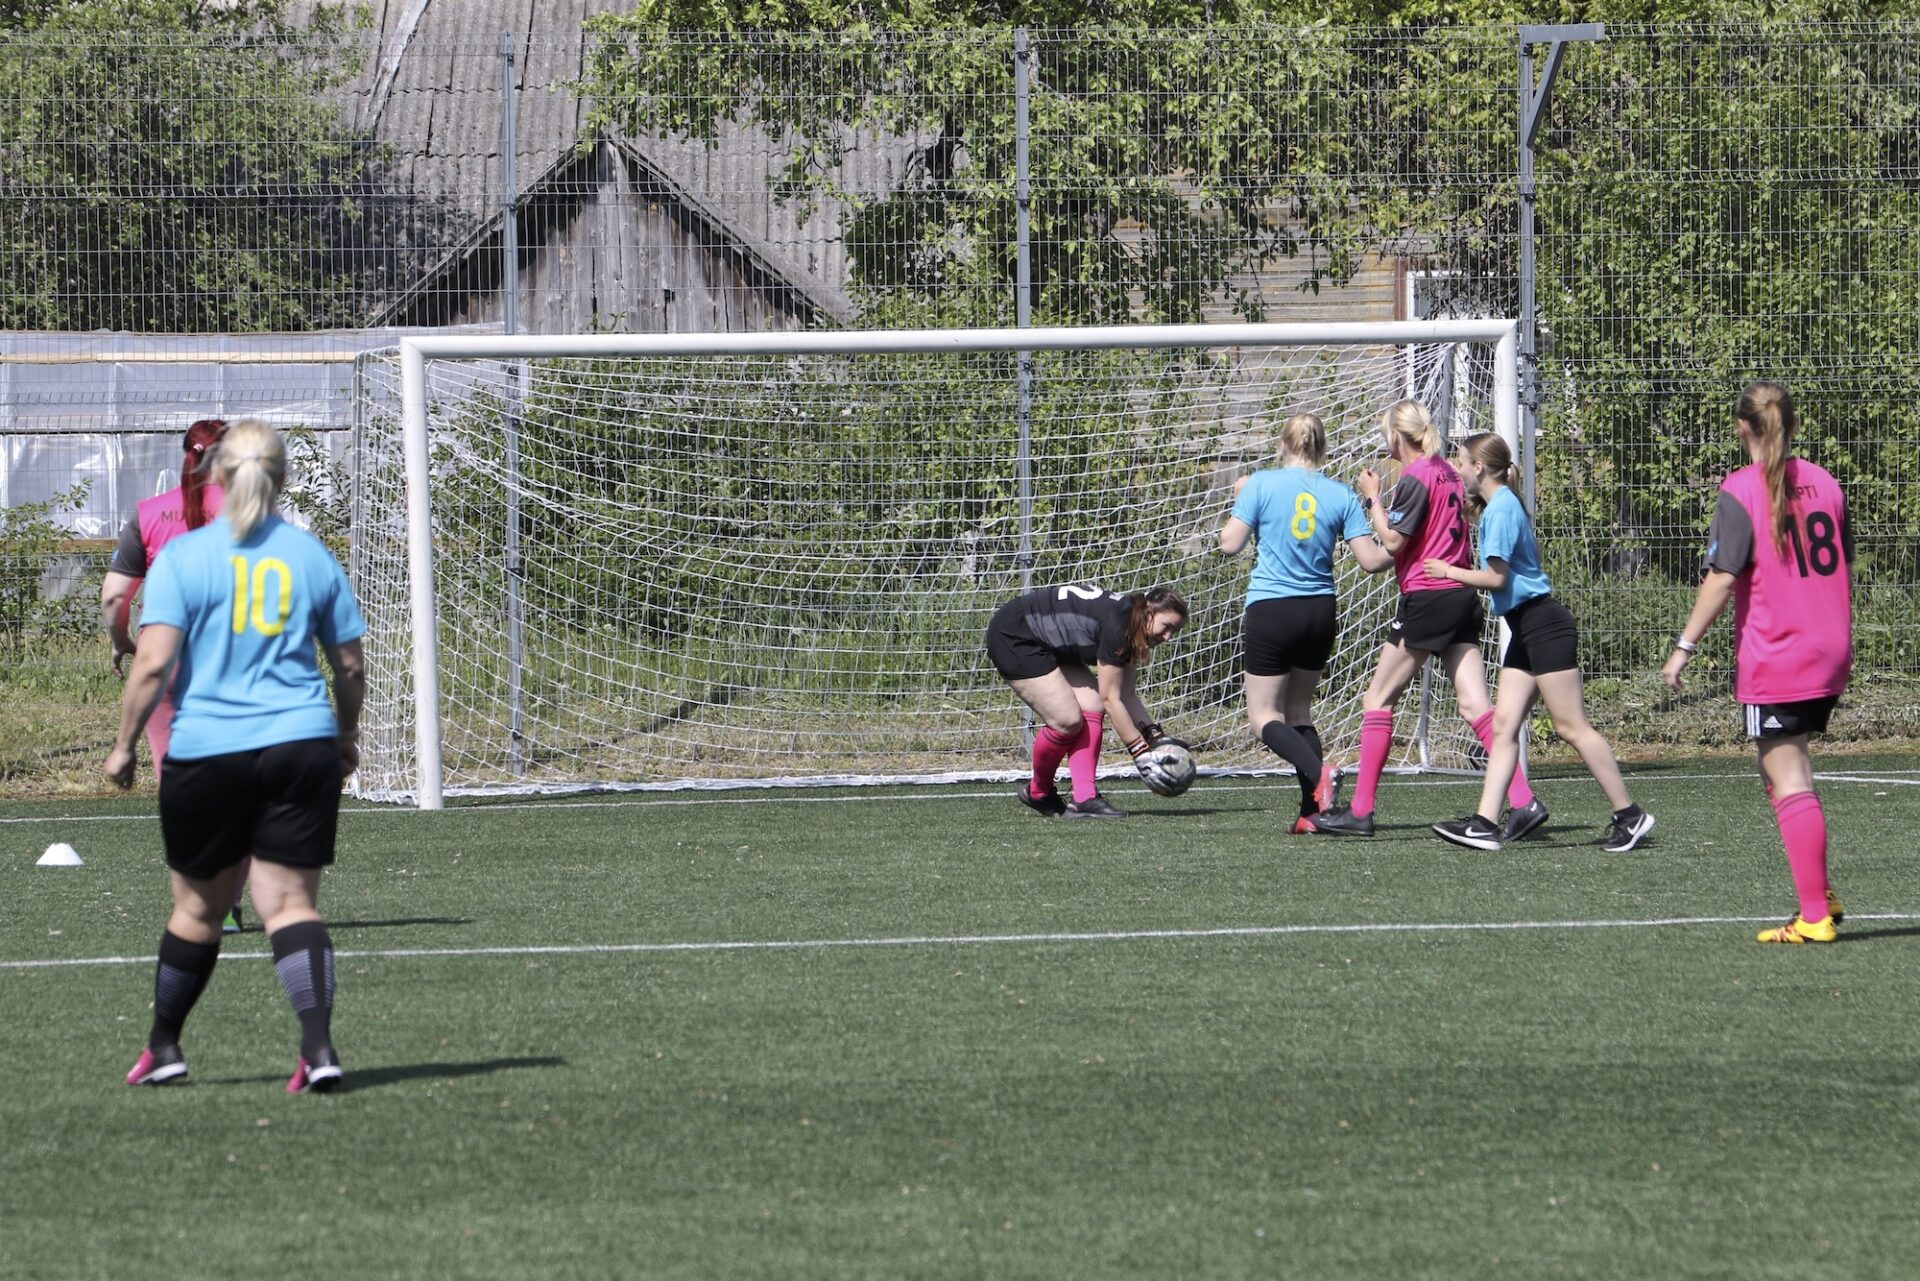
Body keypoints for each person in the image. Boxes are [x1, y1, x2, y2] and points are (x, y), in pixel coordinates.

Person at [107, 419, 367, 1092]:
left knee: (198, 909)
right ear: (282, 478)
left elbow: (152, 664)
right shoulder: (310, 555)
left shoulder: (184, 558)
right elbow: (349, 666)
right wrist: (344, 735)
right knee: (290, 905)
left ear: (216, 475)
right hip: (299, 747)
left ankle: (165, 1046)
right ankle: (319, 1049)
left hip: (207, 752)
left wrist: (124, 745)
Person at [1661, 381, 1851, 943]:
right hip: (1829, 646)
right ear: (1792, 426)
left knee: (1787, 776)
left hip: (1780, 652)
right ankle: (1819, 891)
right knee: (1784, 770)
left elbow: (1722, 578)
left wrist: (1683, 647)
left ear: (1742, 428)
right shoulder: (1826, 482)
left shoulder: (1740, 488)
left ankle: (1814, 916)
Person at [1301, 399, 1541, 838]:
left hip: (1429, 598)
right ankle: (1524, 800)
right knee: (1474, 704)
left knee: (1377, 699)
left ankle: (1360, 811)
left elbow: (1393, 542)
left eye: (1385, 434)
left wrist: (1372, 498)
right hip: (1460, 596)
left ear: (1396, 435)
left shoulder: (1416, 475)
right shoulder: (1449, 471)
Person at [1424, 433, 1655, 852]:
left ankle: (1630, 815)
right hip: (1527, 628)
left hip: (1544, 625)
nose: (1458, 469)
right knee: (1503, 726)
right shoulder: (1499, 505)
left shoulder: (1501, 509)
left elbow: (1496, 578)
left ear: (1479, 467)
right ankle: (1484, 824)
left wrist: (1448, 572)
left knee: (1570, 727)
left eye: (1461, 462)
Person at [100, 418, 252, 933]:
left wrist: (123, 641)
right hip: (235, 655)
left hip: (165, 658)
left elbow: (115, 597)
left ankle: (200, 900)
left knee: (182, 788)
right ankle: (227, 900)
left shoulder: (149, 513)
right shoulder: (251, 510)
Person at [1219, 412, 1393, 831]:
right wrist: (1412, 546)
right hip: (1319, 612)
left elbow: (1229, 544)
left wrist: (1238, 498)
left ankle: (1320, 773)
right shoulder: (1340, 494)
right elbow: (1372, 561)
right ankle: (1311, 813)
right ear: (1322, 447)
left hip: (1273, 609)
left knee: (1264, 717)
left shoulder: (1260, 483)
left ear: (1283, 444)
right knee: (1299, 711)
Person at [986, 583, 1190, 818]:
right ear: (1149, 612)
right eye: (1167, 627)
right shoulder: (1120, 626)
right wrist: (1141, 753)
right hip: (1015, 634)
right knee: (1067, 720)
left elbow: (1126, 695)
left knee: (1092, 704)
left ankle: (1085, 797)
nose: (1167, 637)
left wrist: (1155, 736)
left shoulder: (1132, 622)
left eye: (1173, 632)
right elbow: (1111, 699)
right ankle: (1038, 792)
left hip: (1043, 638)